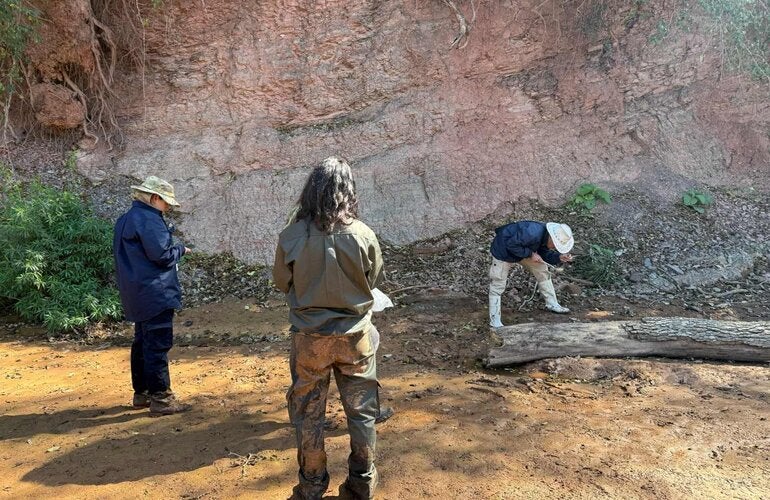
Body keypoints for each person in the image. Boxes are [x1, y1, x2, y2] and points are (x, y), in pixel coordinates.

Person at [274, 157, 383, 500]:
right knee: (362, 412)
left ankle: (310, 486)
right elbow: (373, 278)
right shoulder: (364, 233)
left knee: (308, 414)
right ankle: (361, 483)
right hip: (356, 337)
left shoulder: (291, 235)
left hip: (310, 338)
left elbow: (282, 282)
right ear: (348, 191)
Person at [113, 176, 192, 416]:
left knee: (142, 342)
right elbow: (162, 255)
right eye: (166, 202)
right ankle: (162, 398)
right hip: (155, 290)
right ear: (154, 198)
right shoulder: (149, 219)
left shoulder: (125, 220)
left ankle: (142, 393)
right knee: (157, 343)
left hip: (135, 291)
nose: (167, 207)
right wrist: (180, 249)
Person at [488, 221, 574, 328]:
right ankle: (494, 319)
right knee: (498, 282)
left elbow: (544, 252)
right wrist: (530, 254)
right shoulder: (531, 232)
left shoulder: (544, 237)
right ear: (551, 238)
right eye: (555, 246)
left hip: (523, 250)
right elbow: (511, 244)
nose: (555, 248)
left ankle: (552, 303)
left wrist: (558, 257)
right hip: (504, 249)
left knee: (542, 270)